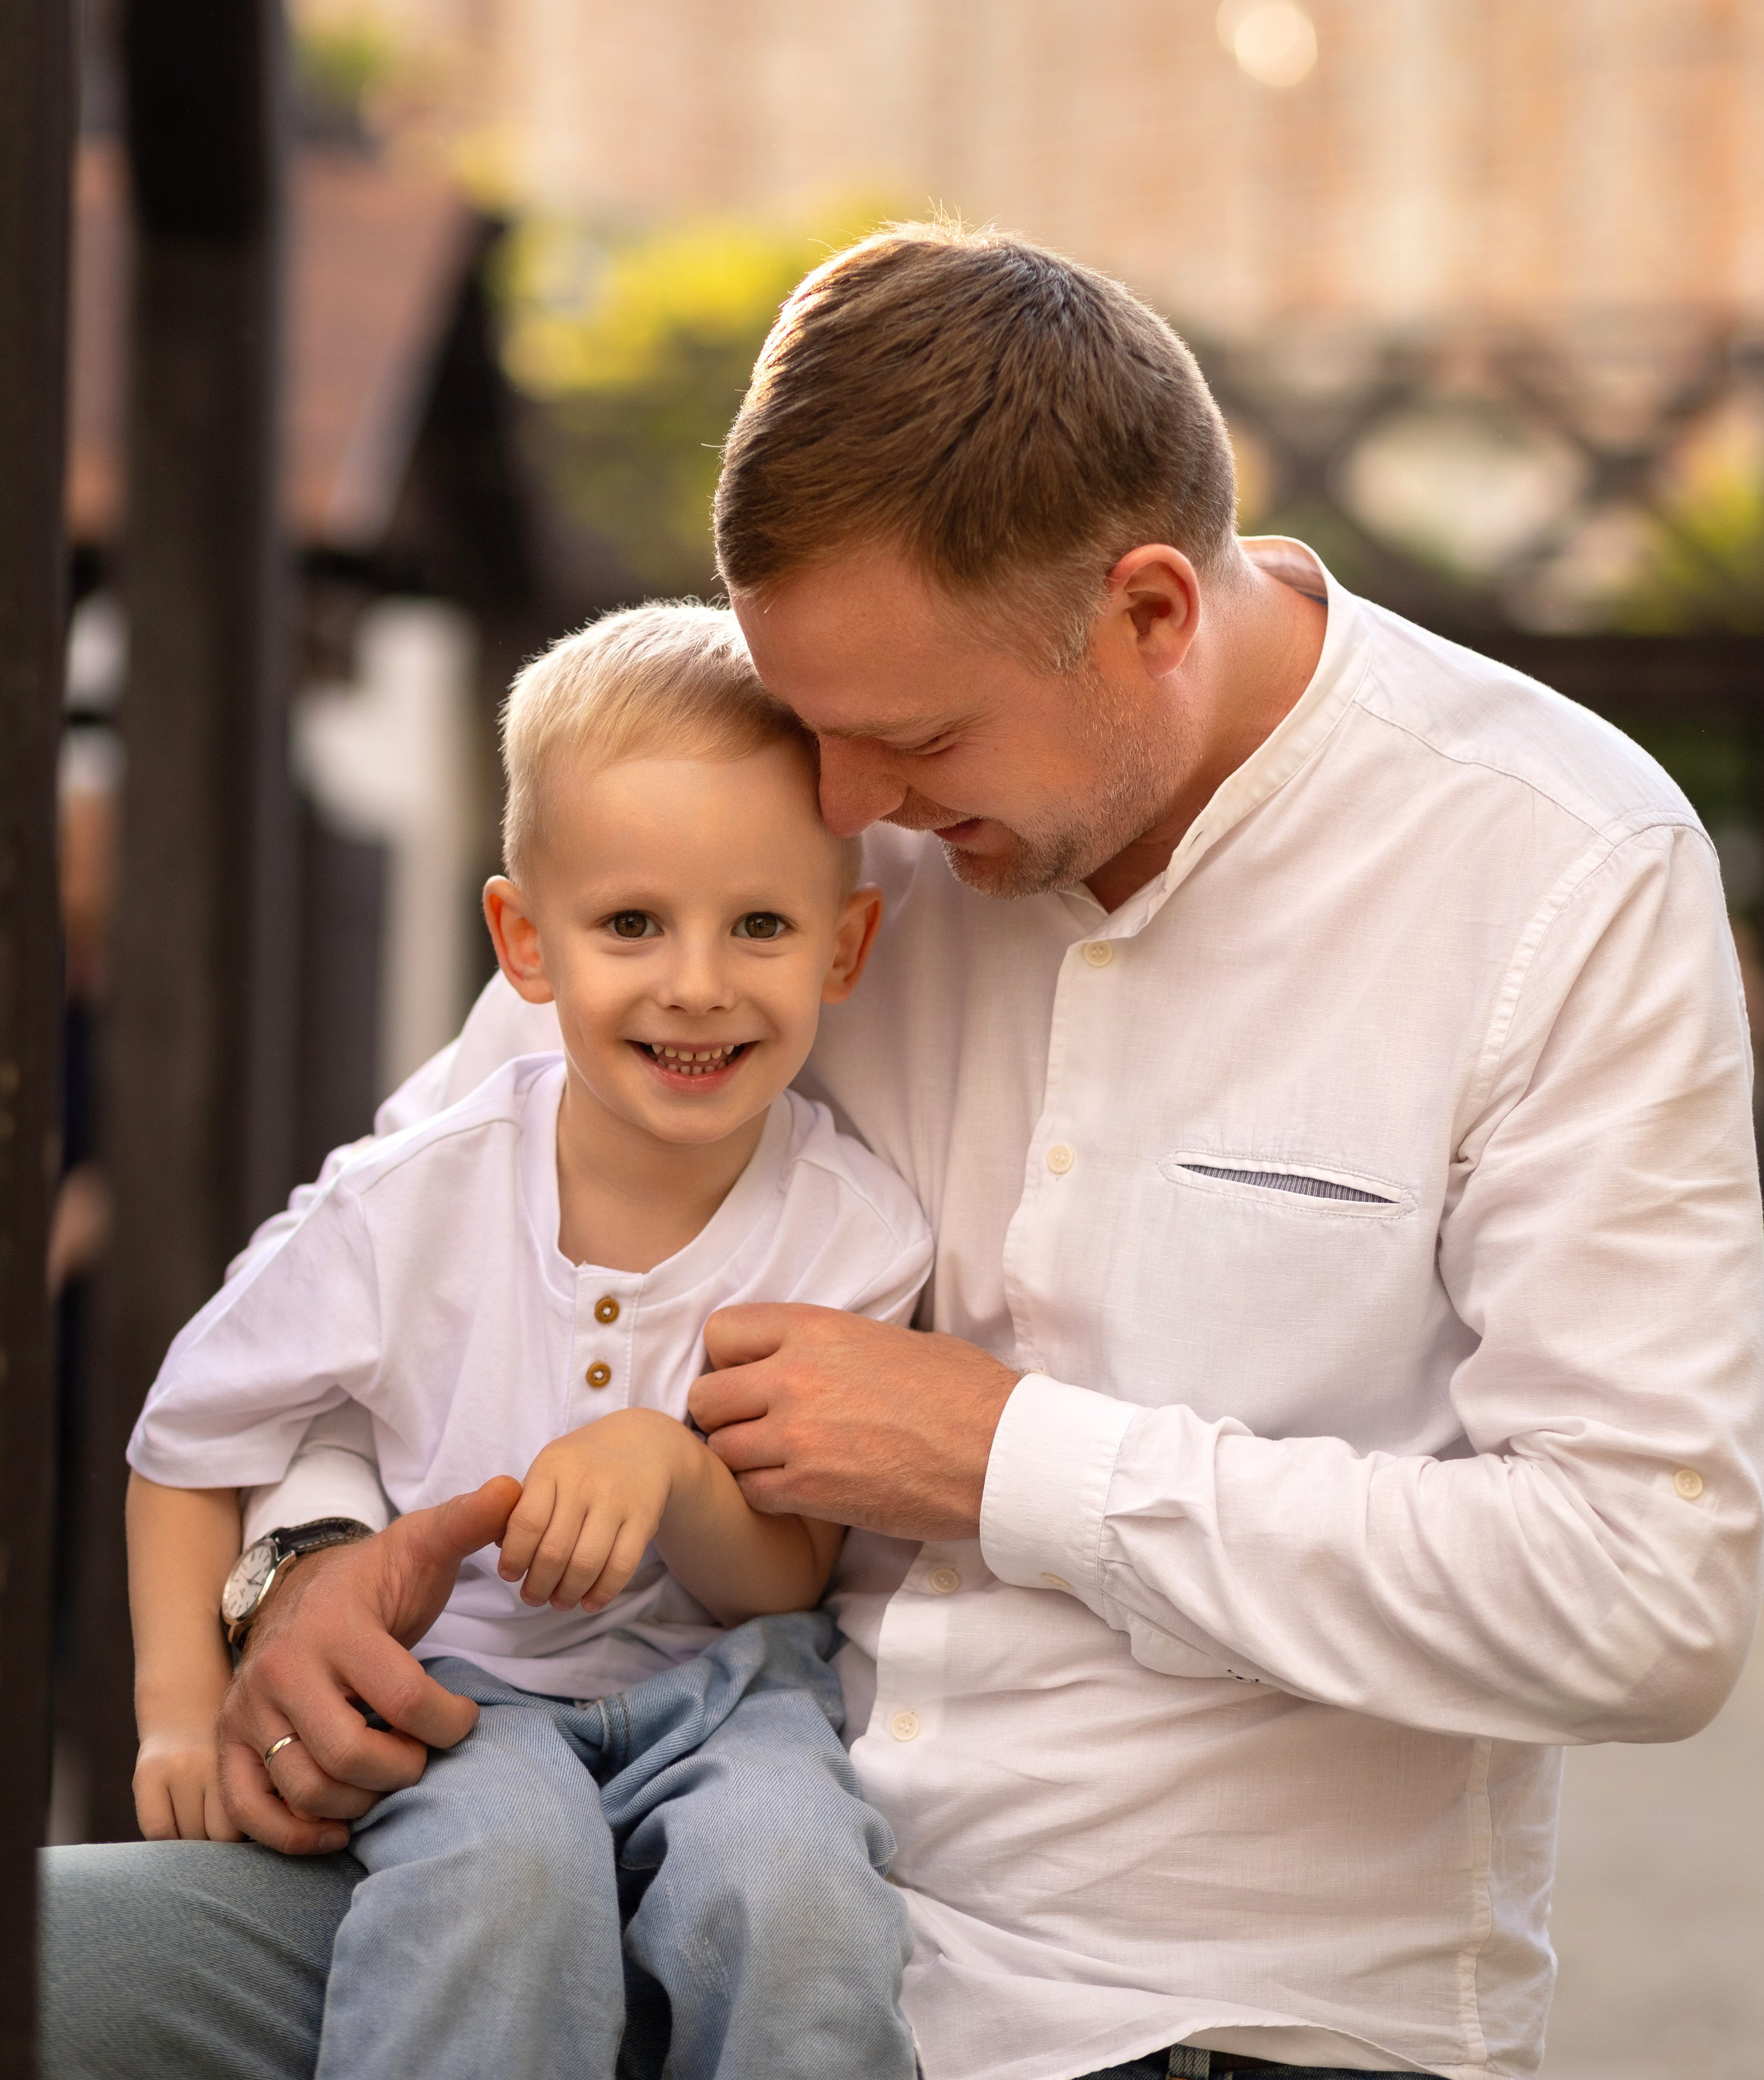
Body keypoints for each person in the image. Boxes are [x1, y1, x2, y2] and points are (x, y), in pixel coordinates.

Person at [44, 225, 1764, 2080]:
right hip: (587, 1876)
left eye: (914, 740)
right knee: (48, 1970)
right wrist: (298, 1570)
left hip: (1175, 2009)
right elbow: (415, 1227)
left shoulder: (1561, 872)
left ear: (1154, 615)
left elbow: (1643, 1600)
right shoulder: (787, 810)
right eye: (813, 727)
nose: (850, 817)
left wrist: (1006, 1456)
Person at [116, 604, 927, 2080]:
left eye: (759, 924)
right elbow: (187, 1444)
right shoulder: (407, 1203)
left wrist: (676, 1476)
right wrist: (178, 1711)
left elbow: (788, 1573)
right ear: (523, 943)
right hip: (457, 1682)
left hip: (728, 1694)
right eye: (632, 923)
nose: (696, 982)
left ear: (845, 945)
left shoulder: (853, 1234)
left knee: (799, 1893)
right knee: (502, 1877)